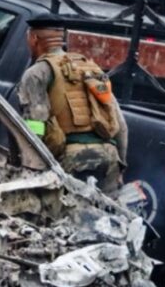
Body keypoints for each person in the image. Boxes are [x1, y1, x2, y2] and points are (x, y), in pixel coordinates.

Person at [16, 13, 127, 192]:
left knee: (56, 217)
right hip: (109, 156)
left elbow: (35, 124)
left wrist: (31, 169)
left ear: (34, 38)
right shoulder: (89, 68)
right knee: (105, 217)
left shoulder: (37, 73)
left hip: (70, 158)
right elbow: (121, 125)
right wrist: (121, 168)